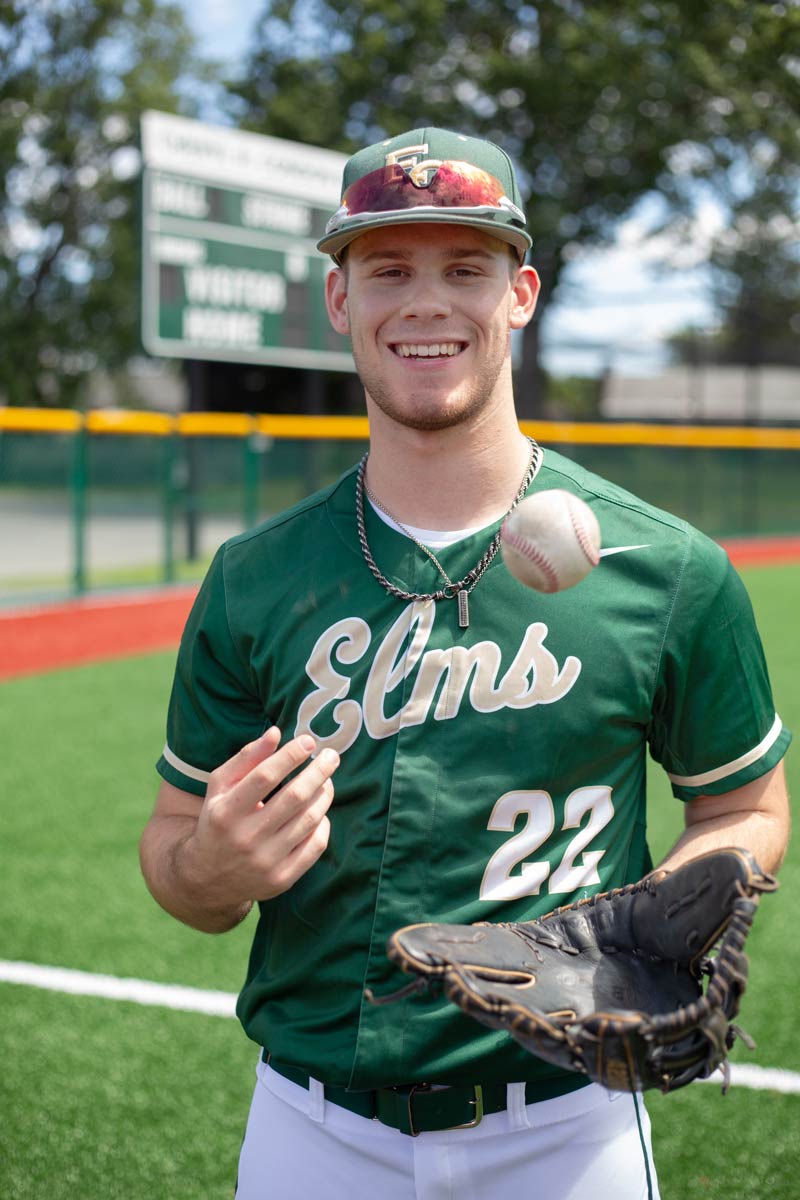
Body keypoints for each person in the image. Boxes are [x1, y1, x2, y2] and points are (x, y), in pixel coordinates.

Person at [139, 128, 791, 1200]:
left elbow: (744, 805)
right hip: (313, 1126)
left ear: (519, 292)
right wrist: (207, 871)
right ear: (340, 301)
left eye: (464, 268)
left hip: (564, 1127)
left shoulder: (669, 570)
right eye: (387, 268)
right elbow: (174, 856)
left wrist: (663, 911)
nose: (425, 302)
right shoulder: (253, 579)